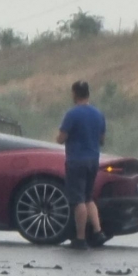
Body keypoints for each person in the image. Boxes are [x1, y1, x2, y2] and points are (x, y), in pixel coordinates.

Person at [56, 80, 108, 250]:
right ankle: (98, 231)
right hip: (93, 160)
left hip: (76, 160)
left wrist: (62, 137)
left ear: (74, 94)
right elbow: (102, 140)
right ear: (88, 93)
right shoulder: (98, 114)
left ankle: (80, 238)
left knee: (78, 200)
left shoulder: (72, 114)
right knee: (88, 197)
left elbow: (61, 138)